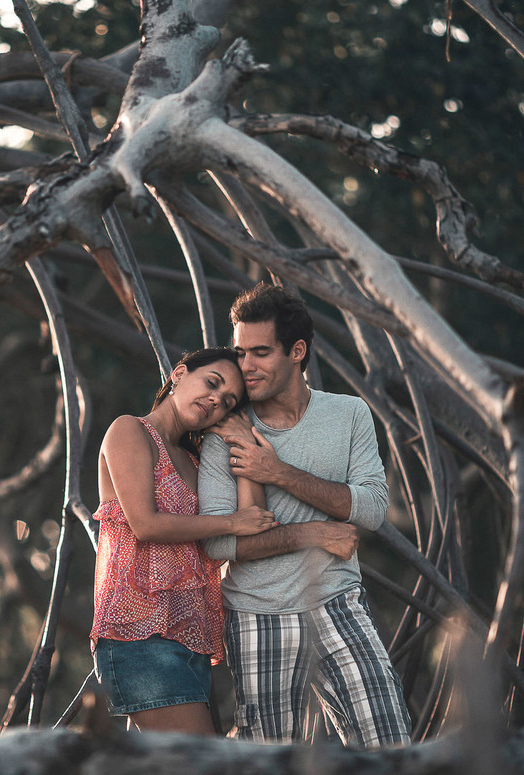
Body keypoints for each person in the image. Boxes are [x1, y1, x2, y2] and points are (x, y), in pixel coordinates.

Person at [199, 283, 412, 747]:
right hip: (256, 615)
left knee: (389, 743)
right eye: (240, 353)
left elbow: (372, 509)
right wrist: (312, 533)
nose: (245, 366)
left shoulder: (349, 414)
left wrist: (276, 471)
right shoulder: (225, 431)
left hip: (337, 602)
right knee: (270, 760)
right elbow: (218, 543)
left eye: (260, 352)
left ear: (297, 351)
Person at [90, 347, 279, 735]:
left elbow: (254, 522)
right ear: (178, 374)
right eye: (212, 383)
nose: (215, 399)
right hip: (139, 633)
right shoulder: (130, 430)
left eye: (228, 401)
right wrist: (232, 522)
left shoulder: (196, 461)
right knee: (203, 762)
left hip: (190, 639)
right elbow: (146, 524)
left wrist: (243, 442)